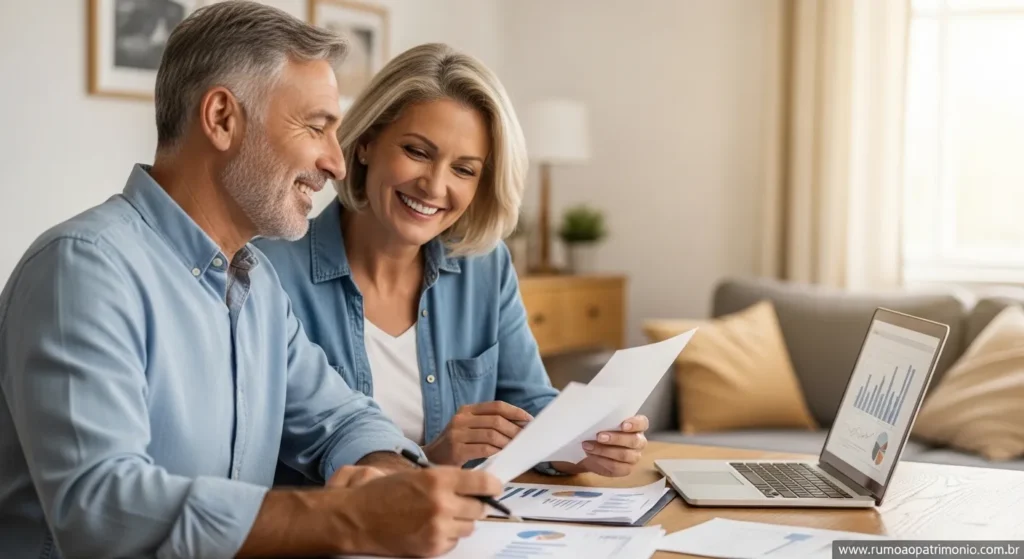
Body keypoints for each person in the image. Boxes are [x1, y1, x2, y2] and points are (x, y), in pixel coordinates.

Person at [0, 3, 500, 558]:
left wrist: (386, 473)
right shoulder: (83, 269)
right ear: (221, 119)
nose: (336, 163)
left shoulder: (257, 287)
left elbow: (342, 418)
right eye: (316, 127)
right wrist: (346, 516)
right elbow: (100, 508)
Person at [254, 42, 650, 478]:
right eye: (418, 152)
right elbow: (269, 459)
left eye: (464, 169)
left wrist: (581, 445)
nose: (434, 186)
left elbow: (529, 403)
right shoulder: (269, 270)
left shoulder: (485, 266)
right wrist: (429, 459)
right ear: (366, 143)